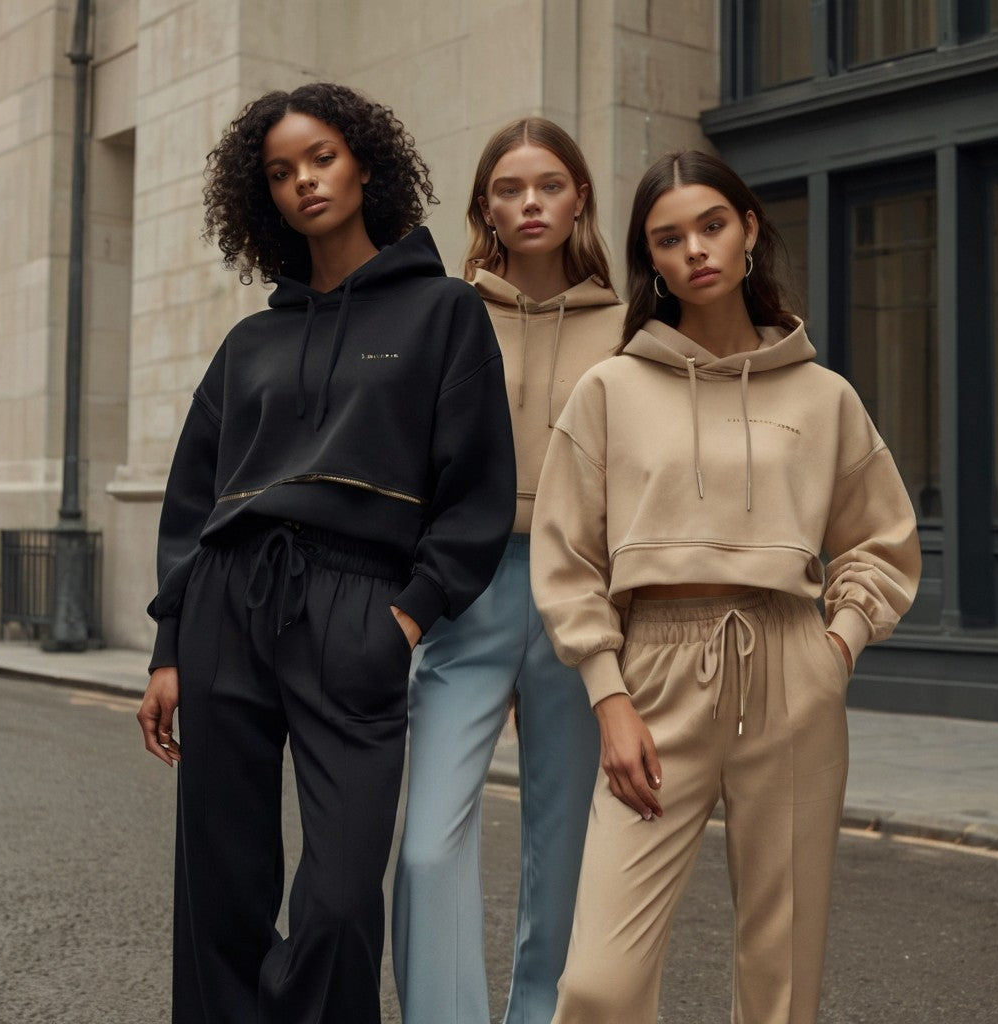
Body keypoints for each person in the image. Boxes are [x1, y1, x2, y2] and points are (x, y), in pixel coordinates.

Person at [135, 82, 516, 1024]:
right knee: (219, 887)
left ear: (364, 165)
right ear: (260, 197)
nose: (304, 181)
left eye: (321, 158)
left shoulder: (445, 314)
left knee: (342, 899)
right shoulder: (250, 342)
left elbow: (475, 490)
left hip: (358, 609)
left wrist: (408, 614)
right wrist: (169, 647)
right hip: (228, 600)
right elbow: (193, 501)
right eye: (279, 172)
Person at [530, 150, 921, 1024]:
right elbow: (566, 558)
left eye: (712, 225)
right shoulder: (609, 389)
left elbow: (881, 540)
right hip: (655, 673)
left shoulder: (824, 397)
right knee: (599, 981)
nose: (694, 251)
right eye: (668, 239)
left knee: (781, 976)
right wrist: (608, 695)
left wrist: (837, 647)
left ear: (749, 229)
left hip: (791, 663)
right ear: (652, 262)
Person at [391, 117, 622, 1024]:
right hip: (467, 590)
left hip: (583, 595)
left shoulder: (628, 324)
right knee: (427, 847)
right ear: (485, 206)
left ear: (579, 199)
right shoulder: (447, 312)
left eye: (550, 185)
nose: (531, 203)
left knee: (562, 848)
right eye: (510, 188)